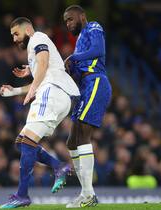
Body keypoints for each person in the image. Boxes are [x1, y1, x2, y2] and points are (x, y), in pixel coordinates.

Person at [0, 17, 80, 208]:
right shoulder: (33, 51)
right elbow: (42, 70)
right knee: (22, 143)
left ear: (27, 30)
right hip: (56, 94)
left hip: (52, 93)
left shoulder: (38, 38)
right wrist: (16, 90)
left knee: (27, 141)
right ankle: (58, 166)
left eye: (16, 34)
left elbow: (43, 66)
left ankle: (22, 195)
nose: (14, 39)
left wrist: (34, 86)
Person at [63, 5, 112, 208]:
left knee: (83, 135)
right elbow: (77, 70)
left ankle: (89, 194)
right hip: (85, 87)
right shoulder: (78, 43)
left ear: (81, 16)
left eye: (70, 19)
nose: (68, 24)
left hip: (96, 82)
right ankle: (85, 193)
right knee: (71, 143)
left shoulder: (93, 27)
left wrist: (74, 58)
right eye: (65, 21)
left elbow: (98, 50)